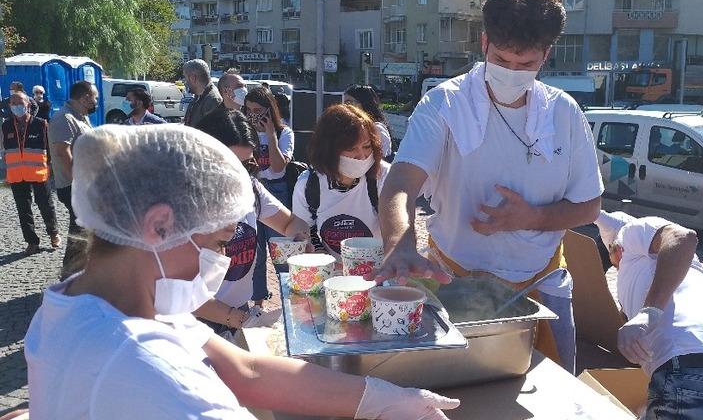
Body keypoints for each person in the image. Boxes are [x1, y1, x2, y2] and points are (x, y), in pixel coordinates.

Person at [24, 123, 459, 419]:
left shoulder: (97, 304)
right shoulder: (146, 368)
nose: (223, 259)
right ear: (159, 226)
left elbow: (246, 372)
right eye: (219, 244)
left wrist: (382, 399)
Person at [370, 0, 603, 374]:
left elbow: (589, 206)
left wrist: (532, 217)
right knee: (461, 387)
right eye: (502, 61)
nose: (512, 72)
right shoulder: (444, 104)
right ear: (484, 43)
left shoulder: (563, 113)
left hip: (542, 283)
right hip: (456, 282)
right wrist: (400, 242)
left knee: (556, 390)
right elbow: (401, 183)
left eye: (525, 64)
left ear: (546, 55)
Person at [595, 210, 703, 419]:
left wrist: (649, 312)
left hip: (692, 366)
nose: (615, 264)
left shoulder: (631, 232)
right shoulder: (652, 275)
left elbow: (683, 237)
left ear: (615, 248)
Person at [194, 108, 305, 338]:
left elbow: (290, 224)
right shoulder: (185, 203)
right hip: (197, 324)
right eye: (228, 165)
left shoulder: (251, 189)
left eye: (246, 165)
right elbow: (179, 291)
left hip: (239, 314)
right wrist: (240, 319)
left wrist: (301, 240)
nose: (237, 175)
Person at [292, 104, 389, 258]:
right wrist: (322, 257)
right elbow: (304, 230)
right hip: (330, 270)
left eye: (367, 146)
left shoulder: (384, 176)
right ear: (328, 149)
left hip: (378, 268)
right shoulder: (308, 185)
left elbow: (397, 228)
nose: (361, 156)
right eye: (351, 149)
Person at [243, 87, 295, 306]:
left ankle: (290, 301)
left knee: (281, 250)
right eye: (248, 110)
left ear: (269, 109)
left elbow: (278, 167)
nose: (252, 115)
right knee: (256, 252)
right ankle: (258, 303)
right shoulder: (244, 131)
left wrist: (271, 135)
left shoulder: (285, 133)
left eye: (257, 110)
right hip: (252, 191)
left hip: (276, 190)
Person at [2, 92, 60, 255]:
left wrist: (51, 166)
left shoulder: (41, 124)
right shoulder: (6, 126)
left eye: (20, 102)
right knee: (23, 209)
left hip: (38, 171)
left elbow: (50, 147)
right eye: (13, 103)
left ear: (28, 104)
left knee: (45, 204)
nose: (16, 106)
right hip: (16, 174)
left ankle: (53, 233)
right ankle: (32, 242)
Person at [49, 80, 96, 279]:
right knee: (80, 234)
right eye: (94, 97)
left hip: (85, 184)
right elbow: (62, 152)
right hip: (73, 185)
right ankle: (69, 278)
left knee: (85, 231)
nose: (96, 101)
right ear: (85, 98)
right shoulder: (64, 118)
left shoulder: (80, 117)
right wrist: (78, 183)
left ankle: (80, 275)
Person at [344, 84, 393, 159]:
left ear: (364, 103)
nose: (345, 107)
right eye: (344, 103)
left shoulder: (377, 128)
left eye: (349, 102)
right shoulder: (349, 126)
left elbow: (382, 157)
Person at [182, 59, 224, 128]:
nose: (184, 82)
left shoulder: (213, 100)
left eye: (185, 77)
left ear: (193, 78)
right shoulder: (198, 97)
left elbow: (213, 132)